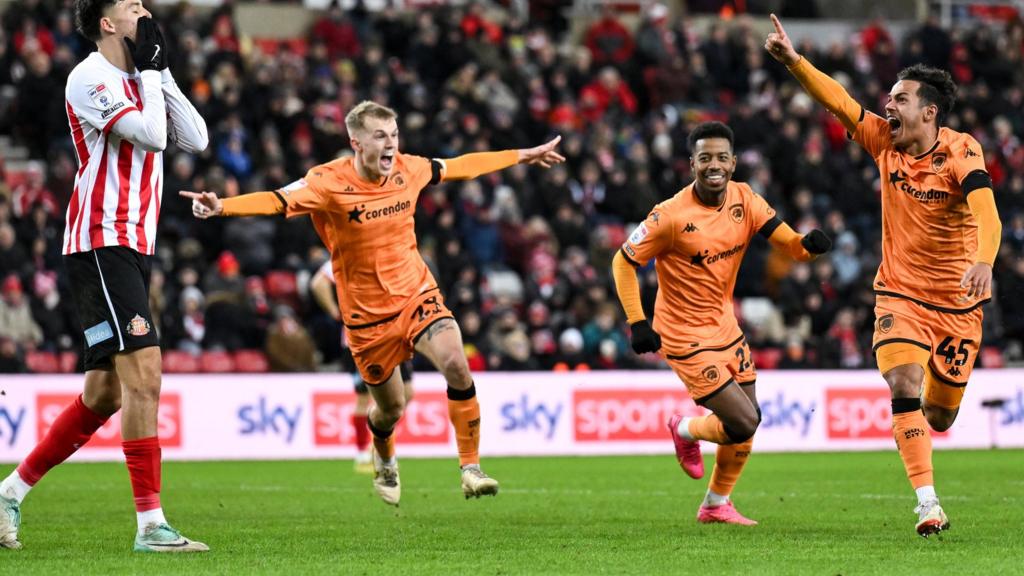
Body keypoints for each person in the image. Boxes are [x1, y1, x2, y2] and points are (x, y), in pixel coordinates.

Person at [184, 100, 564, 506]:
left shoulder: (408, 168)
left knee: (455, 360)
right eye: (380, 136)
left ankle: (470, 467)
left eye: (395, 135)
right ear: (356, 142)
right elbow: (278, 199)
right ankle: (384, 455)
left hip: (417, 294)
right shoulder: (327, 181)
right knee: (390, 410)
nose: (391, 145)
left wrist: (522, 155)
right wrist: (223, 206)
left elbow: (461, 165)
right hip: (367, 319)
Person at [766, 14, 1002, 537]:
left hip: (959, 305)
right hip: (899, 294)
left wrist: (985, 260)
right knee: (902, 382)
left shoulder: (961, 151)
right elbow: (838, 101)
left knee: (940, 417)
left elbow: (987, 212)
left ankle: (929, 428)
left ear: (929, 110)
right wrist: (793, 61)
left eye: (899, 98)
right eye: (889, 98)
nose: (888, 105)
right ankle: (928, 503)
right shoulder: (883, 142)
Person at [0, 0, 208, 552]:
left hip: (133, 243)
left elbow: (198, 139)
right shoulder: (88, 76)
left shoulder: (142, 73)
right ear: (107, 23)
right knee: (146, 376)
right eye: (128, 3)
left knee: (105, 393)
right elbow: (155, 138)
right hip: (101, 238)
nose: (142, 6)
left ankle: (8, 494)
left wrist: (158, 68)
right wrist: (152, 71)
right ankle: (150, 525)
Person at [612, 121, 831, 526]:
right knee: (744, 420)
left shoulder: (745, 199)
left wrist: (807, 246)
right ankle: (685, 429)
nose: (714, 165)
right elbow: (622, 261)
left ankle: (715, 504)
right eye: (705, 157)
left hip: (725, 328)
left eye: (721, 157)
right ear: (692, 163)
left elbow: (789, 244)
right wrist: (637, 321)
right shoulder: (670, 216)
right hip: (682, 335)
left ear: (733, 162)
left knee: (747, 422)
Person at [309, 258, 414, 474]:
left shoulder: (392, 253)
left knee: (406, 393)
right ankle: (362, 455)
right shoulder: (351, 253)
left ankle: (379, 446)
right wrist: (335, 312)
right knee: (365, 397)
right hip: (362, 338)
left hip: (394, 335)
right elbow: (318, 283)